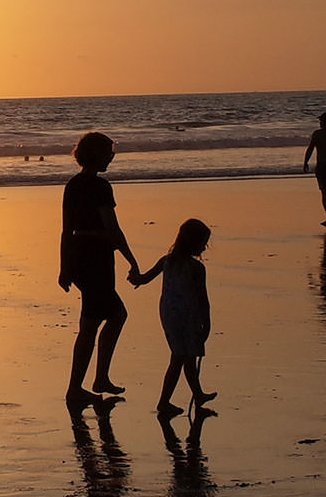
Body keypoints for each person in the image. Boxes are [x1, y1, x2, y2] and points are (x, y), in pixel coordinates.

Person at [58, 132, 142, 405]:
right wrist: (132, 259)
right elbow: (112, 227)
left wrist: (64, 267)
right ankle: (82, 385)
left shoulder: (72, 185)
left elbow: (66, 230)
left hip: (79, 257)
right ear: (96, 155)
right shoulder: (100, 187)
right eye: (109, 152)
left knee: (99, 320)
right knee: (107, 318)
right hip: (97, 258)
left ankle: (92, 381)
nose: (112, 156)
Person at [133, 218, 217, 418]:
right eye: (203, 243)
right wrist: (207, 324)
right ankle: (164, 401)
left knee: (185, 356)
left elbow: (144, 279)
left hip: (169, 315)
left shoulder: (167, 261)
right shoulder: (197, 269)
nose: (204, 248)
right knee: (181, 357)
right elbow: (203, 299)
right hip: (187, 316)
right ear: (193, 243)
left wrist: (135, 277)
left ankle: (197, 394)